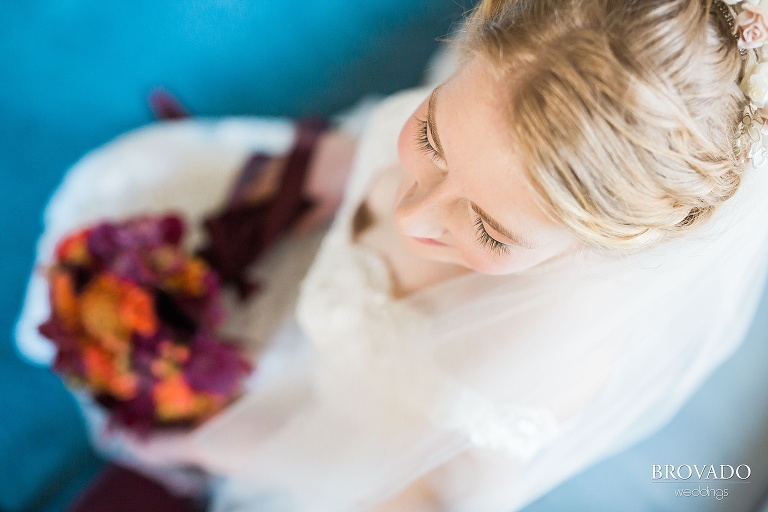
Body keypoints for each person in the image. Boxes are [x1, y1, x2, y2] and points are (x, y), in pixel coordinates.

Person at [15, 0, 768, 510]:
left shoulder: (540, 362)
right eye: (433, 140)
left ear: (604, 246)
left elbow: (425, 496)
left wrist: (241, 448)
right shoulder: (509, 94)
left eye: (491, 229)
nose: (412, 216)